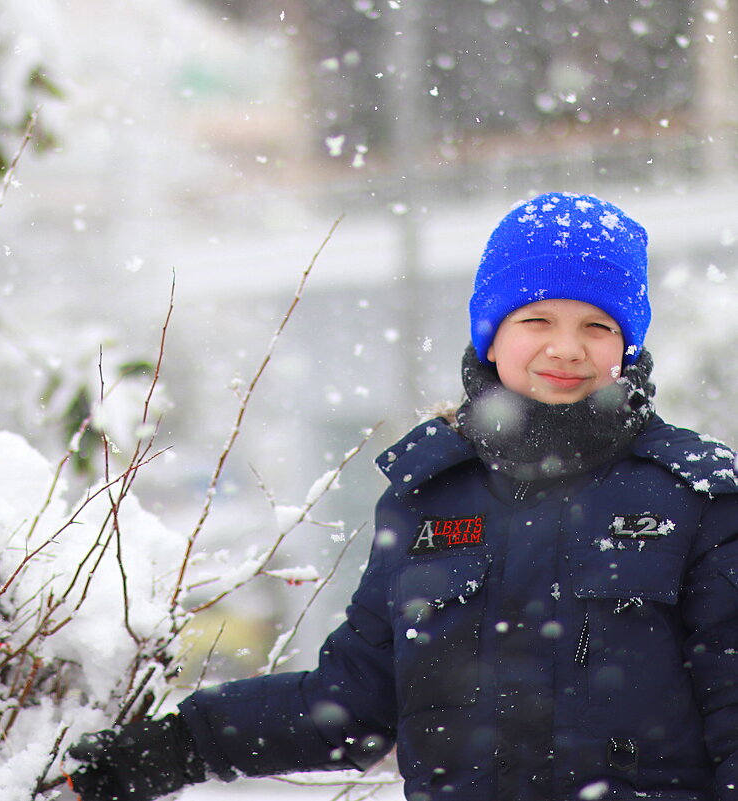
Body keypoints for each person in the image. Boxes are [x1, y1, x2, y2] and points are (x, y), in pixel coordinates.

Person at [67, 193, 738, 801]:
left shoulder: (696, 496)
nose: (566, 347)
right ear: (491, 331)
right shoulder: (428, 498)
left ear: (626, 341)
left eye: (597, 325)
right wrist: (179, 745)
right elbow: (351, 702)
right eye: (535, 317)